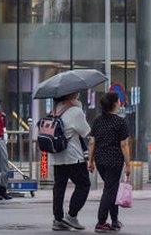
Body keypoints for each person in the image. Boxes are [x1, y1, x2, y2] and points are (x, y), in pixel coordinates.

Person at [87, 92, 131, 233]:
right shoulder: (120, 122)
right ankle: (101, 222)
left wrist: (91, 160)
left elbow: (92, 142)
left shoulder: (97, 121)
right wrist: (128, 164)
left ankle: (115, 221)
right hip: (114, 161)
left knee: (111, 188)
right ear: (114, 104)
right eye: (118, 101)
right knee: (110, 190)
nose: (120, 103)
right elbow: (124, 145)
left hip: (100, 160)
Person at [51, 92, 92, 232]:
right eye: (77, 93)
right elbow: (86, 131)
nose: (79, 95)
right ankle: (72, 216)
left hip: (56, 157)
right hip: (73, 156)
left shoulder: (55, 110)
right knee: (84, 184)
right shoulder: (75, 111)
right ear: (72, 95)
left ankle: (57, 219)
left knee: (59, 188)